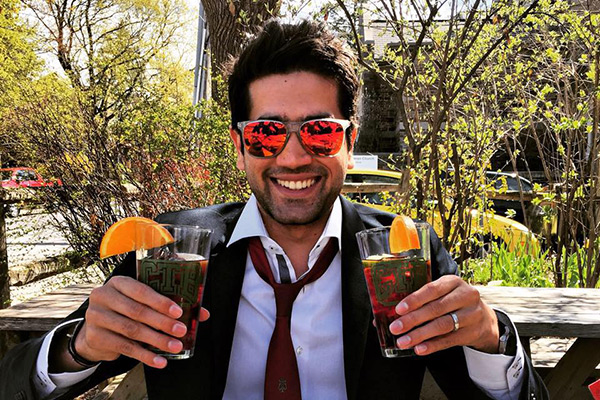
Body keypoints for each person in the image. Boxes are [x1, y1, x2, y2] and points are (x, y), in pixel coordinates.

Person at [0, 20, 548, 400]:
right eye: (266, 133)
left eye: (319, 130)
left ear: (348, 142)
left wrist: (492, 340)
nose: (291, 155)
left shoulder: (406, 253)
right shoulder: (167, 250)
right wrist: (76, 349)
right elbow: (15, 383)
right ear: (239, 146)